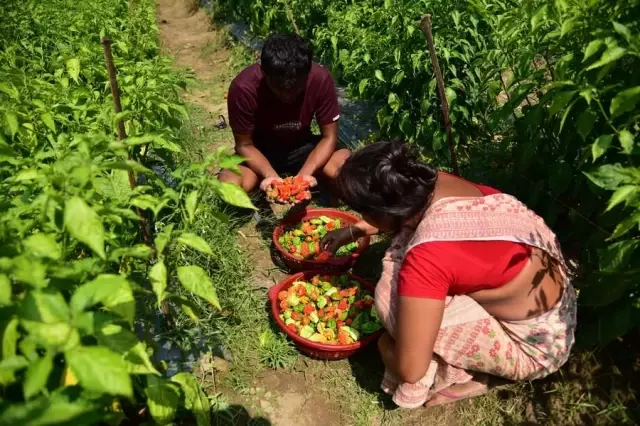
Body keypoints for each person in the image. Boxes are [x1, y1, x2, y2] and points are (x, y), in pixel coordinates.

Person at [321, 141, 577, 409]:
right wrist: (356, 230)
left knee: (389, 296)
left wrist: (385, 345)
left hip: (536, 349)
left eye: (364, 213)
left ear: (386, 211)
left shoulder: (427, 258)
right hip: (559, 313)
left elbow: (411, 370)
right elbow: (402, 214)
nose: (363, 218)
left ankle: (468, 375)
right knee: (408, 254)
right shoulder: (437, 182)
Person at [219, 32, 350, 196]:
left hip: (304, 147)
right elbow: (244, 145)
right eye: (279, 89)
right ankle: (260, 186)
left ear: (307, 73)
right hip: (259, 151)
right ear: (264, 73)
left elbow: (328, 137)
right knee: (229, 186)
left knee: (344, 171)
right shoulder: (243, 88)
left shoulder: (320, 79)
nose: (287, 96)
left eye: (296, 89)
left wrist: (304, 175)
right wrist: (269, 174)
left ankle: (321, 185)